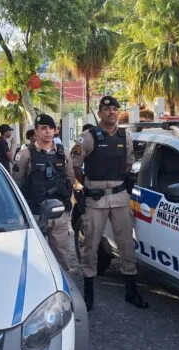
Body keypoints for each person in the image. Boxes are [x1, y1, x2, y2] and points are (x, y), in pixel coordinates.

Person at [71, 96, 148, 311]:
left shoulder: (126, 136)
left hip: (120, 197)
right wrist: (85, 184)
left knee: (126, 244)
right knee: (90, 245)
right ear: (100, 112)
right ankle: (88, 293)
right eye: (107, 109)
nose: (112, 112)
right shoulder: (87, 137)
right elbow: (74, 164)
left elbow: (129, 164)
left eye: (115, 109)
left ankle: (131, 291)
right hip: (96, 198)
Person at [11, 114, 74, 270]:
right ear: (36, 132)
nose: (47, 132)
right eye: (43, 128)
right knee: (35, 257)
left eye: (50, 128)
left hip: (59, 213)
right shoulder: (26, 153)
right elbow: (17, 181)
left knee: (61, 256)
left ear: (55, 131)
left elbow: (70, 179)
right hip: (36, 213)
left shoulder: (63, 153)